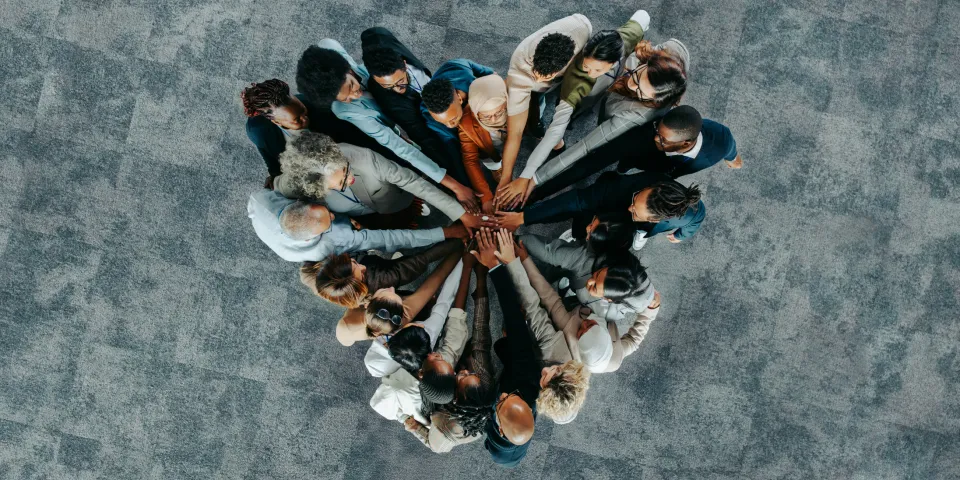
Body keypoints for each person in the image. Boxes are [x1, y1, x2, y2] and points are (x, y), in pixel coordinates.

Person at [295, 40, 480, 211]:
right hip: (401, 136)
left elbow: (328, 43)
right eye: (346, 98)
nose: (355, 95)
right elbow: (399, 147)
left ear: (348, 69)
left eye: (351, 86)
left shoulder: (348, 62)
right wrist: (456, 186)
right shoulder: (344, 110)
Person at [495, 10, 650, 207]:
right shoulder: (575, 83)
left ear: (614, 61)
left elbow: (642, 16)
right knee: (569, 113)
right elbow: (553, 130)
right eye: (586, 67)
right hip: (578, 95)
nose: (591, 73)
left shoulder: (597, 32)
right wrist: (525, 175)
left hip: (610, 85)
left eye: (597, 69)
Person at [513, 38, 692, 204]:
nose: (631, 84)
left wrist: (535, 178)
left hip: (626, 132)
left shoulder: (639, 115)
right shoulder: (672, 49)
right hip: (616, 99)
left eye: (640, 90)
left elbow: (585, 146)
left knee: (588, 162)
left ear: (654, 99)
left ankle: (535, 195)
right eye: (638, 75)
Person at [273, 132, 495, 231]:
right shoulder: (294, 183)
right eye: (341, 183)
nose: (350, 178)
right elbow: (278, 190)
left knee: (403, 209)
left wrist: (461, 214)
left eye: (346, 169)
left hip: (392, 201)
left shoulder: (365, 159)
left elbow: (413, 182)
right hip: (359, 215)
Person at [518, 241, 663, 374]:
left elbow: (549, 296)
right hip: (588, 307)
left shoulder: (568, 330)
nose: (584, 323)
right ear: (607, 336)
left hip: (568, 313)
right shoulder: (615, 358)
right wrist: (650, 311)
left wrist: (525, 260)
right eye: (591, 325)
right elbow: (634, 340)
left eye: (581, 332)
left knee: (550, 304)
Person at [497, 14, 594, 208]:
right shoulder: (520, 68)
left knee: (561, 100)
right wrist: (505, 179)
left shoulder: (582, 33)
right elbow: (515, 134)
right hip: (524, 81)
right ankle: (536, 120)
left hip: (570, 66)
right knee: (530, 108)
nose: (541, 79)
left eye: (548, 76)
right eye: (538, 74)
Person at [368, 251, 473, 428]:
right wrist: (465, 264)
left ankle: (396, 281)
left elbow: (377, 404)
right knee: (436, 308)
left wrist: (403, 418)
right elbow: (449, 307)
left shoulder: (377, 366)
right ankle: (398, 281)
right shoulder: (437, 346)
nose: (438, 356)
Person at [404, 258, 496, 453]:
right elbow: (481, 329)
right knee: (477, 343)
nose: (463, 371)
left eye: (462, 376)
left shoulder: (440, 423)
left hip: (436, 409)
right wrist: (481, 278)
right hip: (465, 375)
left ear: (454, 397)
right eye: (469, 373)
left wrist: (417, 429)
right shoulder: (484, 381)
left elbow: (434, 446)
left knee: (459, 343)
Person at [470, 229, 542, 467]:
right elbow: (512, 314)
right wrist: (494, 266)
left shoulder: (502, 430)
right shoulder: (529, 378)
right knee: (512, 330)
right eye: (510, 396)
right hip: (518, 362)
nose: (501, 395)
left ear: (499, 428)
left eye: (501, 402)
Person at [500, 233, 590, 424]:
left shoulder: (555, 386)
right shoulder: (558, 353)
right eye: (551, 371)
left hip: (545, 336)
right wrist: (516, 261)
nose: (544, 372)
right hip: (569, 317)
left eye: (544, 380)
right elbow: (536, 305)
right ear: (564, 372)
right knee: (532, 299)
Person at [240, 78, 394, 185]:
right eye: (297, 120)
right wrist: (275, 177)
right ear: (276, 122)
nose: (305, 119)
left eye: (303, 111)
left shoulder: (321, 109)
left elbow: (361, 141)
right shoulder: (258, 130)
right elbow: (271, 158)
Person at [246, 189, 466, 262]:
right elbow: (391, 238)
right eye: (329, 221)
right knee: (382, 233)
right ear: (311, 238)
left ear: (298, 202)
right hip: (340, 245)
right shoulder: (335, 240)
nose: (334, 216)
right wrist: (446, 232)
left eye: (327, 212)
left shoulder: (260, 200)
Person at [498, 171, 705, 246]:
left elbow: (696, 221)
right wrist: (523, 217)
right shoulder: (626, 189)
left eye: (635, 210)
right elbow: (576, 200)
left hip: (642, 226)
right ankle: (580, 233)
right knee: (584, 221)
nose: (630, 207)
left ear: (654, 219)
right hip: (611, 202)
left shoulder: (691, 213)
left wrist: (680, 236)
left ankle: (641, 233)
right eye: (635, 199)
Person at [360, 27, 455, 173]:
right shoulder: (393, 103)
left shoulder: (399, 55)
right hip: (434, 126)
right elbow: (423, 135)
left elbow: (377, 35)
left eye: (400, 81)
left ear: (404, 64)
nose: (397, 89)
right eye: (387, 86)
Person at [335, 245, 462, 347]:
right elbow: (438, 277)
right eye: (393, 293)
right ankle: (427, 306)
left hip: (361, 323)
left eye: (386, 292)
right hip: (392, 321)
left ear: (367, 304)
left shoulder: (346, 324)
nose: (392, 288)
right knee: (426, 302)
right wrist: (460, 249)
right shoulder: (405, 314)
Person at [362, 256, 464, 378]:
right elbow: (444, 302)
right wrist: (462, 262)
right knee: (437, 306)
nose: (421, 326)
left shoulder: (380, 328)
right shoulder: (427, 340)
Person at [518, 233, 655, 321]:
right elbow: (549, 252)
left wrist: (651, 310)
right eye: (597, 274)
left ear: (608, 299)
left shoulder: (640, 303)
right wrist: (518, 240)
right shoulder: (588, 260)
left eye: (594, 287)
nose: (589, 281)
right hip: (579, 276)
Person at [299, 239, 460, 308]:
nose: (363, 267)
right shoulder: (384, 279)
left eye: (353, 263)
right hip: (387, 274)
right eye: (361, 274)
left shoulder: (310, 270)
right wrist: (458, 240)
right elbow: (422, 259)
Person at [616, 105, 743, 176]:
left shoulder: (721, 140)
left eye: (662, 139)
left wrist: (733, 159)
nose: (655, 138)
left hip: (668, 170)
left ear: (685, 143)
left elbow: (729, 147)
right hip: (640, 154)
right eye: (657, 130)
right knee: (630, 160)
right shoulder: (659, 123)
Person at [418, 58, 496, 161]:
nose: (450, 125)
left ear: (459, 98)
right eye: (443, 122)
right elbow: (450, 143)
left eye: (453, 119)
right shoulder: (427, 112)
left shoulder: (461, 67)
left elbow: (493, 75)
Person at [453, 75, 510, 213]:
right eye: (486, 116)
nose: (494, 120)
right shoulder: (466, 123)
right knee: (487, 155)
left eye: (499, 112)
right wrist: (486, 197)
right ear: (475, 112)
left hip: (511, 135)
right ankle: (496, 168)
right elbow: (470, 160)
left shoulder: (518, 99)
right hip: (487, 147)